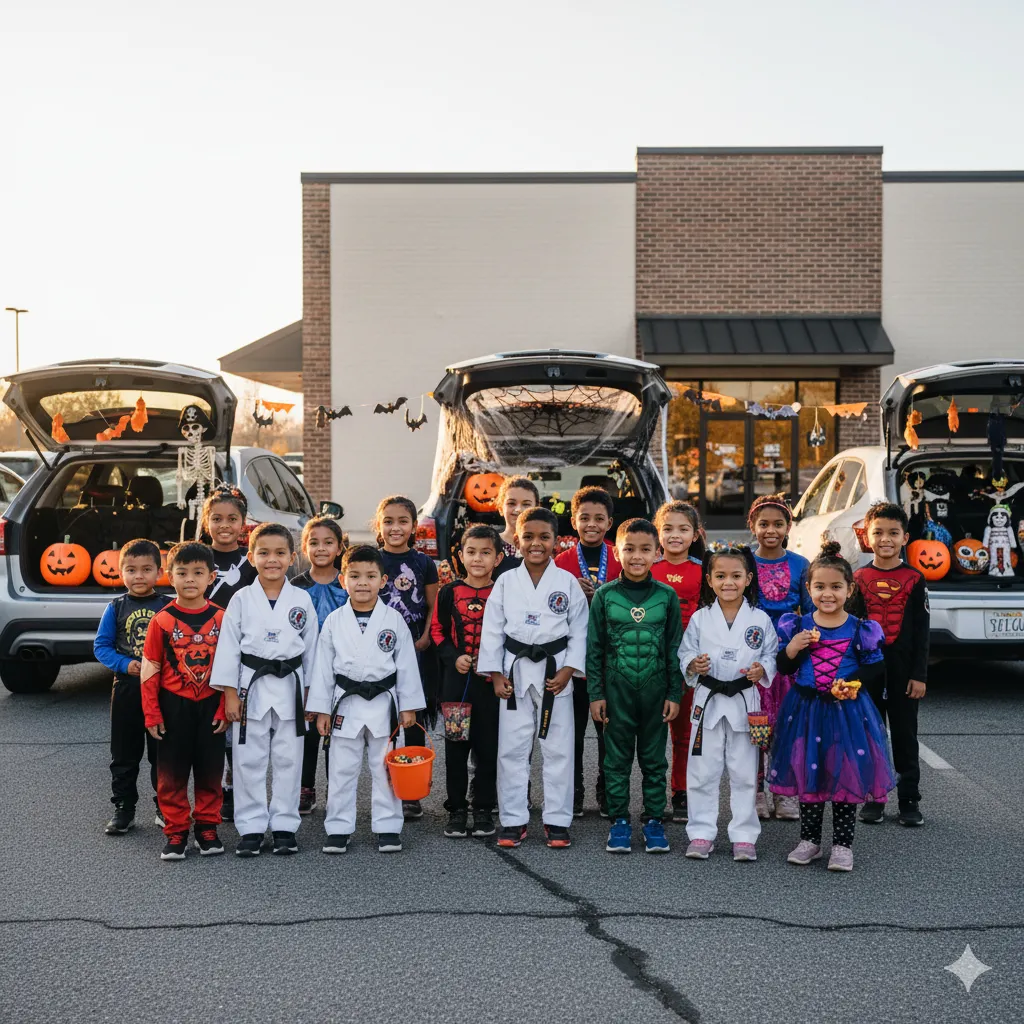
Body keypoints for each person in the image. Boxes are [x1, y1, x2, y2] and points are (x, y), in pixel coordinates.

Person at [771, 541, 896, 872]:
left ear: (850, 589)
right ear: (809, 588)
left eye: (836, 587)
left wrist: (851, 681)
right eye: (820, 586)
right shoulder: (796, 626)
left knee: (844, 771)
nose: (828, 594)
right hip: (806, 709)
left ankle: (842, 845)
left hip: (847, 711)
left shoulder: (860, 628)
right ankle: (810, 841)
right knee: (809, 771)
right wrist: (794, 649)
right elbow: (782, 668)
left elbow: (876, 667)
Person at [478, 507, 589, 849]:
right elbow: (492, 631)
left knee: (559, 749)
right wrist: (495, 673)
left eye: (544, 537)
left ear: (557, 541)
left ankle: (557, 820)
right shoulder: (506, 582)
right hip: (514, 673)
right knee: (511, 749)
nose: (536, 544)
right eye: (528, 537)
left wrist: (570, 670)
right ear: (517, 539)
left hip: (556, 673)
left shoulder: (567, 583)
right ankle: (513, 820)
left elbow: (579, 632)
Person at [306, 545, 425, 854]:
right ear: (343, 579)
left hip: (384, 704)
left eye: (370, 576)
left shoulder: (394, 619)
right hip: (345, 702)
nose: (362, 583)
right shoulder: (334, 621)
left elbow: (407, 664)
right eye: (355, 576)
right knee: (342, 769)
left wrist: (408, 706)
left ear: (383, 580)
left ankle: (387, 826)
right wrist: (321, 709)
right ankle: (338, 828)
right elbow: (322, 668)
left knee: (385, 768)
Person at [210, 523, 319, 857]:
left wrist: (312, 696)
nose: (272, 560)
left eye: (280, 553)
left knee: (289, 758)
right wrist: (230, 693)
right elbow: (227, 648)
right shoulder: (241, 599)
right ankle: (252, 827)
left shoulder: (301, 598)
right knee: (248, 760)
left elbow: (312, 649)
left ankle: (285, 825)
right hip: (249, 687)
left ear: (292, 557)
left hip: (291, 686)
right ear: (251, 556)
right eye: (264, 553)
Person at [587, 519, 682, 854]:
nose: (637, 556)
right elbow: (595, 648)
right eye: (629, 549)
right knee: (616, 760)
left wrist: (674, 693)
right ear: (617, 551)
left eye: (645, 550)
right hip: (616, 692)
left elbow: (674, 648)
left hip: (656, 693)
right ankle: (619, 821)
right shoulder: (604, 596)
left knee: (655, 760)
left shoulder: (667, 596)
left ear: (658, 553)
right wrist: (596, 694)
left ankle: (654, 820)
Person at [678, 546, 777, 862]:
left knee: (745, 772)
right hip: (707, 702)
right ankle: (701, 832)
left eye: (736, 576)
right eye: (720, 576)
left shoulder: (759, 619)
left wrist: (762, 669)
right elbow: (685, 652)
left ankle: (744, 836)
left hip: (744, 702)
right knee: (702, 772)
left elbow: (770, 654)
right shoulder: (700, 618)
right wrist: (694, 665)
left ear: (748, 578)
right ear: (709, 579)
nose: (728, 582)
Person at [140, 542, 228, 861]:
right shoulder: (161, 621)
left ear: (211, 577)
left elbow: (230, 668)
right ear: (169, 576)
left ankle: (207, 826)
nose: (190, 579)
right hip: (173, 705)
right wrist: (151, 713)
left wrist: (224, 707)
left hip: (211, 704)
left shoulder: (222, 618)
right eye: (182, 573)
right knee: (172, 772)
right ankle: (176, 829)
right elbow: (150, 671)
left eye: (198, 573)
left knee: (210, 770)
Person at [852, 501, 929, 827]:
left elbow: (922, 630)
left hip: (902, 666)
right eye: (878, 532)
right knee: (870, 734)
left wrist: (919, 674)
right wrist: (850, 674)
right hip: (868, 668)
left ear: (905, 537)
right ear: (866, 537)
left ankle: (909, 800)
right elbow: (850, 628)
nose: (885, 539)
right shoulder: (857, 577)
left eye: (893, 533)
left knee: (904, 734)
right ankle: (874, 798)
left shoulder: (915, 578)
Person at [95, 538, 171, 835]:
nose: (139, 576)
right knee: (124, 753)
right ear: (120, 572)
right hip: (127, 688)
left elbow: (178, 646)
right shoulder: (115, 608)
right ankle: (123, 807)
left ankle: (165, 806)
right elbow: (101, 646)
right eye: (131, 569)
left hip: (163, 692)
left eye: (146, 569)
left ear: (159, 571)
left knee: (162, 752)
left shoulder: (168, 606)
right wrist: (125, 664)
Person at [430, 524, 502, 839]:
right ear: (460, 555)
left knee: (488, 749)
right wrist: (452, 656)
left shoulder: (502, 591)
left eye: (485, 553)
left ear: (498, 558)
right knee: (456, 749)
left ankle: (483, 807)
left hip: (489, 687)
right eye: (471, 552)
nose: (477, 559)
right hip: (456, 688)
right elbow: (437, 631)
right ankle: (457, 809)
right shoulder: (449, 592)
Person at [554, 485, 621, 818]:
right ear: (573, 521)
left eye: (599, 518)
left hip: (610, 660)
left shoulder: (621, 557)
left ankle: (607, 788)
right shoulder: (560, 563)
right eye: (584, 518)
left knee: (608, 729)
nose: (591, 524)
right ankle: (574, 788)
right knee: (572, 729)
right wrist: (572, 594)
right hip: (572, 660)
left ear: (610, 522)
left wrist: (606, 593)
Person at [374, 494, 439, 820]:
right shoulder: (371, 560)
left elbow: (432, 605)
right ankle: (388, 786)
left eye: (402, 521)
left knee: (412, 719)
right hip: (380, 651)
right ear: (379, 525)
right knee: (385, 722)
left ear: (414, 526)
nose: (395, 527)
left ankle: (411, 791)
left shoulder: (423, 563)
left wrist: (426, 636)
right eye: (388, 521)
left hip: (416, 649)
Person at [747, 493, 811, 822]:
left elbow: (812, 612)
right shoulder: (744, 560)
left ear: (788, 527)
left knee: (787, 725)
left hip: (788, 657)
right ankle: (756, 790)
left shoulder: (800, 564)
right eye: (763, 524)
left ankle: (785, 792)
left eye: (778, 524)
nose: (770, 530)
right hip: (753, 654)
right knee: (757, 724)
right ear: (752, 527)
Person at [201, 487, 257, 822]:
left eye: (232, 519)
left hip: (242, 652)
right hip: (202, 651)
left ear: (243, 523)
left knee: (238, 719)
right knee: (212, 721)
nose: (225, 525)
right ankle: (214, 788)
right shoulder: (197, 557)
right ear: (206, 521)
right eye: (217, 518)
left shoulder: (252, 562)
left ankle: (237, 788)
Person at [650, 501, 705, 824]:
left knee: (685, 733)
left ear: (695, 534)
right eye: (668, 528)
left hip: (689, 665)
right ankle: (654, 792)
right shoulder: (649, 570)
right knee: (655, 732)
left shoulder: (703, 571)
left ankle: (681, 790)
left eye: (683, 529)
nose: (675, 535)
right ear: (658, 533)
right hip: (653, 664)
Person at [292, 515, 348, 814]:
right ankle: (305, 786)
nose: (321, 548)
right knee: (309, 730)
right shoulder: (295, 587)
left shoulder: (348, 583)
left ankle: (336, 790)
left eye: (328, 542)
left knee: (338, 732)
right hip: (306, 669)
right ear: (304, 547)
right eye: (314, 543)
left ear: (339, 547)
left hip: (343, 669)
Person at [493, 476, 540, 578]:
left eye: (526, 504)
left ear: (537, 508)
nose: (518, 509)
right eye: (511, 503)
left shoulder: (547, 546)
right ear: (501, 508)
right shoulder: (489, 544)